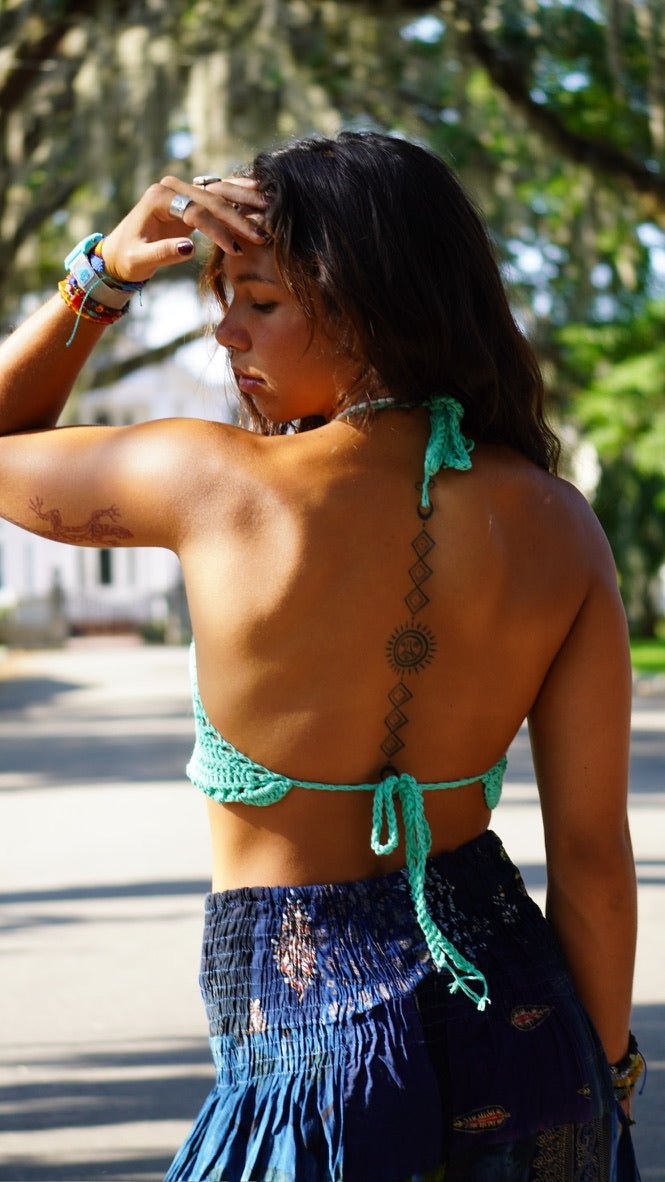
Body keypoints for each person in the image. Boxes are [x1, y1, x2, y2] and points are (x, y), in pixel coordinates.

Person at [0, 132, 643, 1181]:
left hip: (313, 1069)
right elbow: (590, 861)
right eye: (225, 299)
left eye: (259, 301)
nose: (225, 332)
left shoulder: (211, 483)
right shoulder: (557, 523)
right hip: (530, 1042)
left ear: (369, 304)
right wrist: (607, 1077)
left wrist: (102, 274)